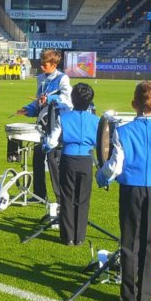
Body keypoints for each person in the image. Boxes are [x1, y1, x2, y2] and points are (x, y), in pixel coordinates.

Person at [96, 81, 151, 301]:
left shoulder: (123, 132)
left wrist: (101, 176)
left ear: (134, 103)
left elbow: (115, 166)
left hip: (131, 190)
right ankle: (145, 297)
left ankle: (128, 296)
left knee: (129, 242)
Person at [45, 82, 98, 246]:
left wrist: (45, 144)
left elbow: (52, 141)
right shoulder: (96, 120)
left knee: (67, 198)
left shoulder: (64, 117)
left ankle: (67, 236)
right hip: (86, 160)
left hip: (68, 159)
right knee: (83, 199)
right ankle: (79, 236)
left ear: (73, 100)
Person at [16, 48, 72, 203]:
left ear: (54, 64)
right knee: (37, 159)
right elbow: (38, 102)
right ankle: (39, 194)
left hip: (55, 124)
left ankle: (61, 198)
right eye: (41, 64)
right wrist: (28, 109)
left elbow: (68, 100)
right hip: (41, 124)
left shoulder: (62, 79)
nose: (42, 67)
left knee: (54, 163)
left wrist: (50, 99)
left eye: (45, 64)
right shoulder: (41, 78)